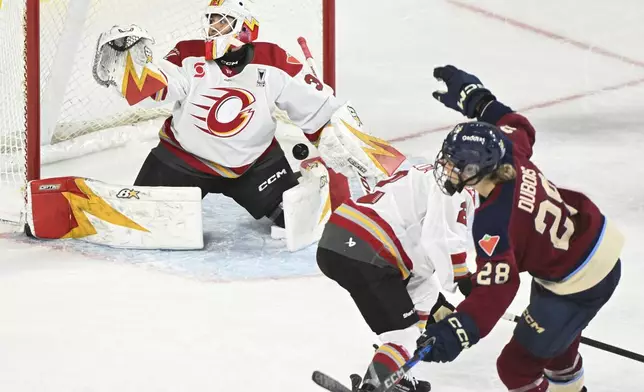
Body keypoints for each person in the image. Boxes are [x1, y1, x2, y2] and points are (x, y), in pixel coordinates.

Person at [416, 65, 624, 392]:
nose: (448, 168)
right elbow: (517, 125)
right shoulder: (509, 153)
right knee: (556, 356)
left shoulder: (493, 221)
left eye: (456, 164)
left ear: (475, 171)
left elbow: (499, 289)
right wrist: (476, 100)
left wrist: (460, 330)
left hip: (576, 283)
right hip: (587, 251)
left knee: (515, 368)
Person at [93, 0, 346, 229]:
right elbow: (160, 90)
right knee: (142, 221)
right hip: (183, 160)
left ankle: (293, 183)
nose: (214, 27)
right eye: (211, 20)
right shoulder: (188, 53)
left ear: (246, 28)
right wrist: (132, 74)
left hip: (255, 164)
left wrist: (332, 132)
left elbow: (316, 109)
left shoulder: (274, 59)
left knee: (295, 220)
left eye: (223, 21)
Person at [316, 161, 478, 392]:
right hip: (369, 251)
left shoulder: (422, 170)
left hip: (336, 239)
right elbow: (440, 240)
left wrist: (437, 305)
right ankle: (373, 387)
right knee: (403, 336)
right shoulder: (459, 190)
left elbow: (418, 258)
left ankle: (400, 377)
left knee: (419, 304)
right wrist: (463, 279)